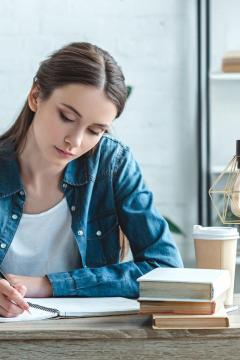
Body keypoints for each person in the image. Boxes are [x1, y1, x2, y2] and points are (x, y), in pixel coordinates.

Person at [0, 42, 183, 318]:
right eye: (67, 117)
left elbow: (166, 269)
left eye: (95, 130)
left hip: (90, 340)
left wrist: (49, 285)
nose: (74, 141)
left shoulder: (113, 165)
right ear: (36, 96)